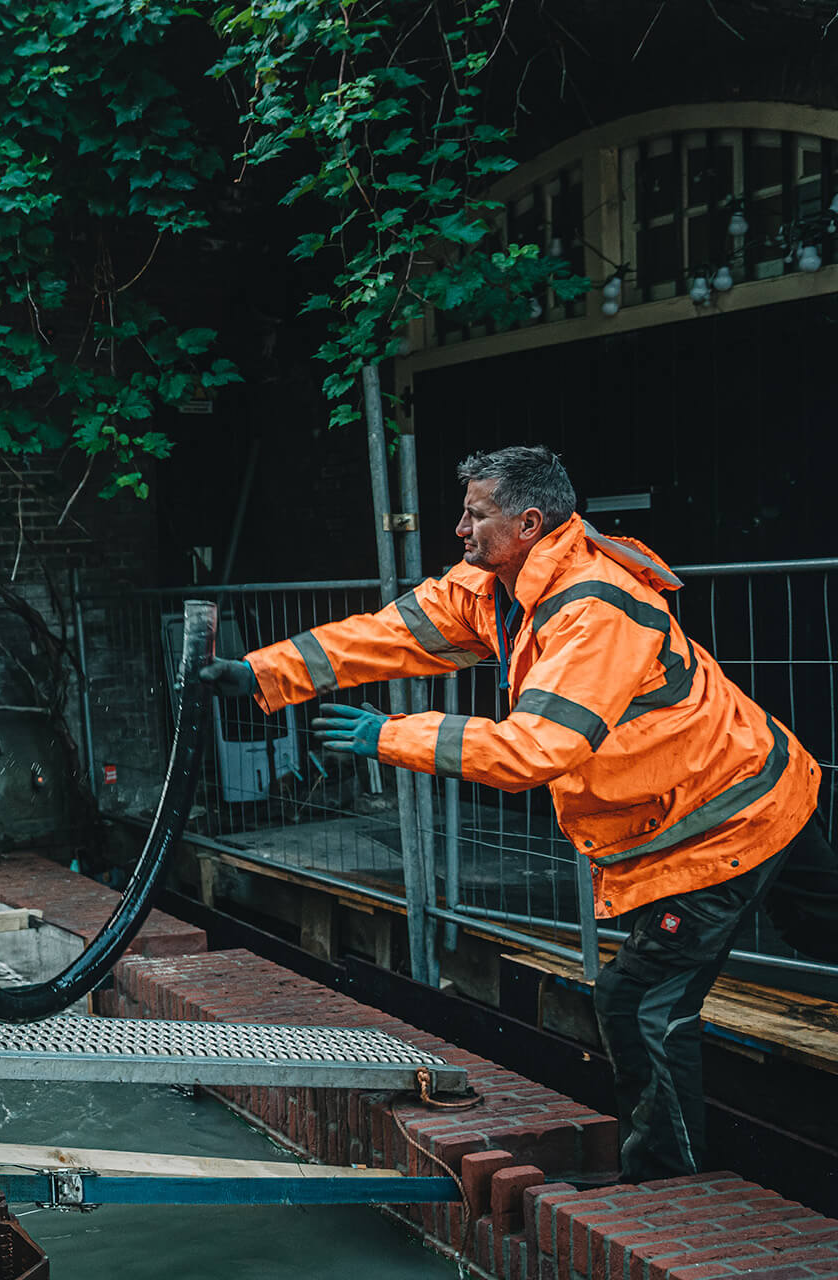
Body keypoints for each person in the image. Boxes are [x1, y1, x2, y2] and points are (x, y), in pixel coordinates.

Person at [198, 445, 838, 1182]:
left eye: (476, 513)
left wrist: (388, 737)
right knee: (819, 926)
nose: (460, 528)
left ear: (529, 523)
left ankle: (666, 1184)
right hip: (757, 782)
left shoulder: (593, 609)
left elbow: (536, 749)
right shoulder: (494, 588)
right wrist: (259, 674)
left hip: (723, 820)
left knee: (637, 1003)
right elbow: (390, 633)